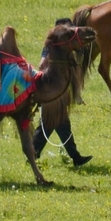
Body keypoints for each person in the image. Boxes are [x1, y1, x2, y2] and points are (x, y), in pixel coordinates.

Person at [32, 18, 93, 167]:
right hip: (52, 92)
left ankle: (35, 153)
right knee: (53, 124)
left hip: (58, 93)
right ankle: (74, 157)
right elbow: (42, 65)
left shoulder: (65, 48)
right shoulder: (52, 47)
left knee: (57, 124)